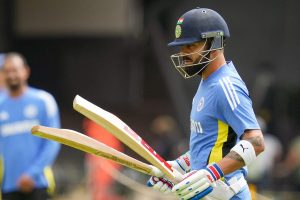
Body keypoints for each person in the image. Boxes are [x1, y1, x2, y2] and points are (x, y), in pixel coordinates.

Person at [148, 8, 265, 200]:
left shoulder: (226, 86)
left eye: (191, 46)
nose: (183, 54)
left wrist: (212, 173)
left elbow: (256, 142)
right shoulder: (206, 83)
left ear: (216, 43)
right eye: (181, 47)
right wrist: (178, 166)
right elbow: (209, 144)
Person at [0, 52, 61, 200]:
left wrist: (32, 173)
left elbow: (53, 141)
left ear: (25, 71)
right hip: (8, 185)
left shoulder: (43, 100)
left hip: (38, 183)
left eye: (15, 70)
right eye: (6, 71)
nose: (11, 75)